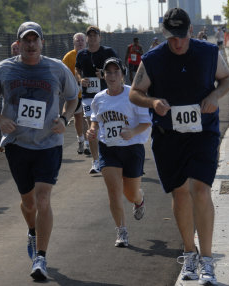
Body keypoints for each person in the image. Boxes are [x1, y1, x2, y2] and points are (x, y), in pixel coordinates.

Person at [129, 8, 229, 286]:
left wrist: (214, 95)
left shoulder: (208, 53)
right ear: (166, 34)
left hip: (203, 132)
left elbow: (227, 81)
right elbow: (135, 92)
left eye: (182, 36)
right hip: (168, 135)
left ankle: (207, 261)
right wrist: (153, 103)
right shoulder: (153, 59)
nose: (178, 43)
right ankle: (189, 253)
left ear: (190, 31)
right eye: (172, 37)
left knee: (200, 189)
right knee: (180, 193)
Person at [0, 21, 79, 281]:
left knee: (43, 198)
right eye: (27, 40)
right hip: (17, 144)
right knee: (28, 202)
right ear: (19, 43)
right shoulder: (4, 69)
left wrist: (65, 119)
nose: (31, 44)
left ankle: (41, 257)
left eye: (35, 40)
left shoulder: (56, 68)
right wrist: (1, 119)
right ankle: (33, 230)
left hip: (48, 143)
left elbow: (73, 96)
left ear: (42, 42)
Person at [87, 57, 151, 247]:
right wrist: (92, 129)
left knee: (130, 194)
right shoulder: (99, 98)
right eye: (108, 72)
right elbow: (95, 119)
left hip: (132, 149)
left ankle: (139, 200)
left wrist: (132, 132)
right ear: (103, 75)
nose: (112, 76)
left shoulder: (133, 94)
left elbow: (146, 122)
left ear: (122, 74)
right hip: (109, 149)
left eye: (116, 72)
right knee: (114, 192)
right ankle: (121, 231)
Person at [75, 25, 118, 174]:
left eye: (95, 35)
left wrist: (105, 74)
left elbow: (119, 69)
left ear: (100, 37)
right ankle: (96, 162)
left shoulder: (108, 52)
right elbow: (77, 69)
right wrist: (81, 80)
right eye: (90, 36)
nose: (92, 38)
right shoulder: (81, 54)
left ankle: (116, 157)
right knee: (91, 126)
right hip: (88, 97)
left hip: (107, 95)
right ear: (87, 38)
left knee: (109, 125)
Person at [62, 32, 90, 155]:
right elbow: (63, 74)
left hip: (89, 93)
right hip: (74, 94)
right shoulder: (68, 57)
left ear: (86, 42)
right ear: (73, 43)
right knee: (78, 117)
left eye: (82, 40)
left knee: (87, 117)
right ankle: (81, 140)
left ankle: (88, 143)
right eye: (77, 40)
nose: (79, 42)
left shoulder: (90, 55)